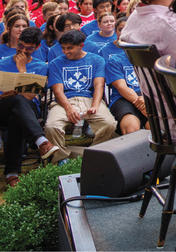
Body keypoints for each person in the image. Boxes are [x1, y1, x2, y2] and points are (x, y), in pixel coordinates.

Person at [44, 29, 117, 156]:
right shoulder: (56, 63)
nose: (66, 52)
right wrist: (69, 108)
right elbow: (58, 91)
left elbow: (98, 85)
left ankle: (93, 154)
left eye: (70, 48)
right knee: (51, 126)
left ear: (81, 45)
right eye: (63, 48)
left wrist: (95, 105)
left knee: (109, 124)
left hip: (89, 98)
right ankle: (61, 157)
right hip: (64, 100)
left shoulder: (97, 60)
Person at [0, 27, 59, 184]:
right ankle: (41, 141)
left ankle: (12, 173)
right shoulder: (2, 63)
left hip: (27, 111)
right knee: (16, 102)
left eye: (29, 48)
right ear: (17, 43)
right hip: (2, 107)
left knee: (18, 111)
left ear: (38, 47)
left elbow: (28, 96)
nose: (24, 51)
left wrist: (22, 69)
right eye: (21, 46)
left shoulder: (40, 67)